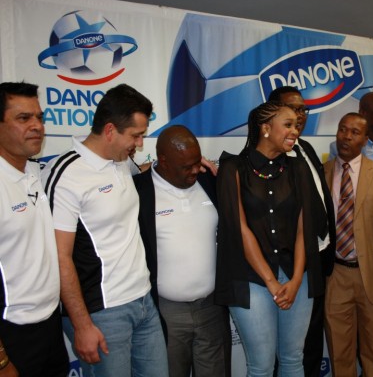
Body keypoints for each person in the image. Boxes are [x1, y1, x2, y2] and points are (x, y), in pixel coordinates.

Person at [42, 84, 168, 376]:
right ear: (110, 130)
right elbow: (59, 257)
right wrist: (82, 325)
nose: (139, 143)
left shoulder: (120, 161)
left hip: (144, 301)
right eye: (135, 135)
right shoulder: (67, 175)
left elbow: (145, 171)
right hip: (102, 313)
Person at [215, 101, 328, 376]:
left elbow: (304, 227)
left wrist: (296, 279)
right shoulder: (233, 168)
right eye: (288, 125)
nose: (295, 131)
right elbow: (240, 229)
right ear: (266, 128)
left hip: (296, 276)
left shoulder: (298, 168)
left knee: (293, 360)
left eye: (296, 126)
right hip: (250, 278)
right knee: (261, 366)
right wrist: (271, 282)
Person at [133, 125, 231, 377]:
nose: (195, 170)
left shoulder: (209, 180)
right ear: (163, 161)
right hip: (166, 313)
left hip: (212, 308)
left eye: (197, 162)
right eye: (186, 167)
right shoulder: (139, 191)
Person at [323, 113, 373, 377]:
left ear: (365, 140)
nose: (346, 137)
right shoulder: (321, 173)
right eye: (342, 129)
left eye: (354, 132)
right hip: (335, 276)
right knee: (339, 352)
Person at [0, 82, 69, 376]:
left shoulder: (33, 172)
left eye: (39, 117)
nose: (37, 126)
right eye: (23, 118)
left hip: (50, 324)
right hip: (13, 333)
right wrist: (2, 360)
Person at [268, 86, 335, 377]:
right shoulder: (268, 155)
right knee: (287, 346)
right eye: (293, 109)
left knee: (313, 337)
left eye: (303, 110)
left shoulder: (305, 147)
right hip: (290, 262)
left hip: (318, 253)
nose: (300, 116)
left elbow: (319, 198)